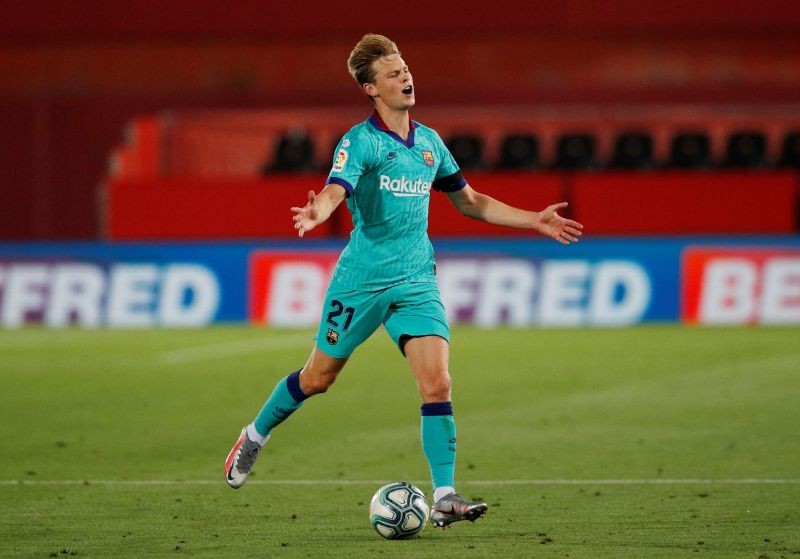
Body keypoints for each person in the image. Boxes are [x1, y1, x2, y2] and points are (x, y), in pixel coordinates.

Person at [225, 33, 584, 529]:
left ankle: (444, 495)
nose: (406, 77)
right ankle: (255, 436)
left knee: (437, 384)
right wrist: (317, 209)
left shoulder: (430, 143)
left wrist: (533, 220)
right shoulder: (361, 142)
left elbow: (470, 201)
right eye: (393, 73)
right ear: (371, 88)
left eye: (406, 68)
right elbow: (334, 189)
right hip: (361, 282)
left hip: (417, 279)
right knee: (318, 379)